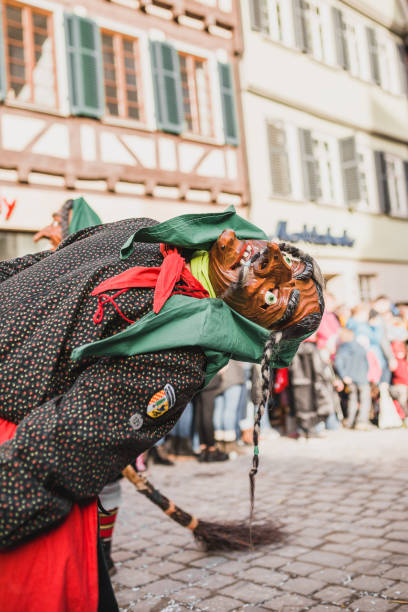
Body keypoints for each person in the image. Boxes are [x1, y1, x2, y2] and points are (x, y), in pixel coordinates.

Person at [0, 203, 324, 611]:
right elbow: (25, 271)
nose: (268, 262)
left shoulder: (177, 353)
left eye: (275, 294)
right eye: (289, 261)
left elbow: (52, 459)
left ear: (252, 327)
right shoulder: (142, 233)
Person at [334, 328, 373, 430]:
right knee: (365, 400)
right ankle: (361, 422)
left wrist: (343, 375)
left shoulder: (344, 347)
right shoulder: (360, 347)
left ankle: (350, 421)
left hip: (350, 378)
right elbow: (367, 363)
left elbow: (338, 362)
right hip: (362, 378)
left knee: (353, 400)